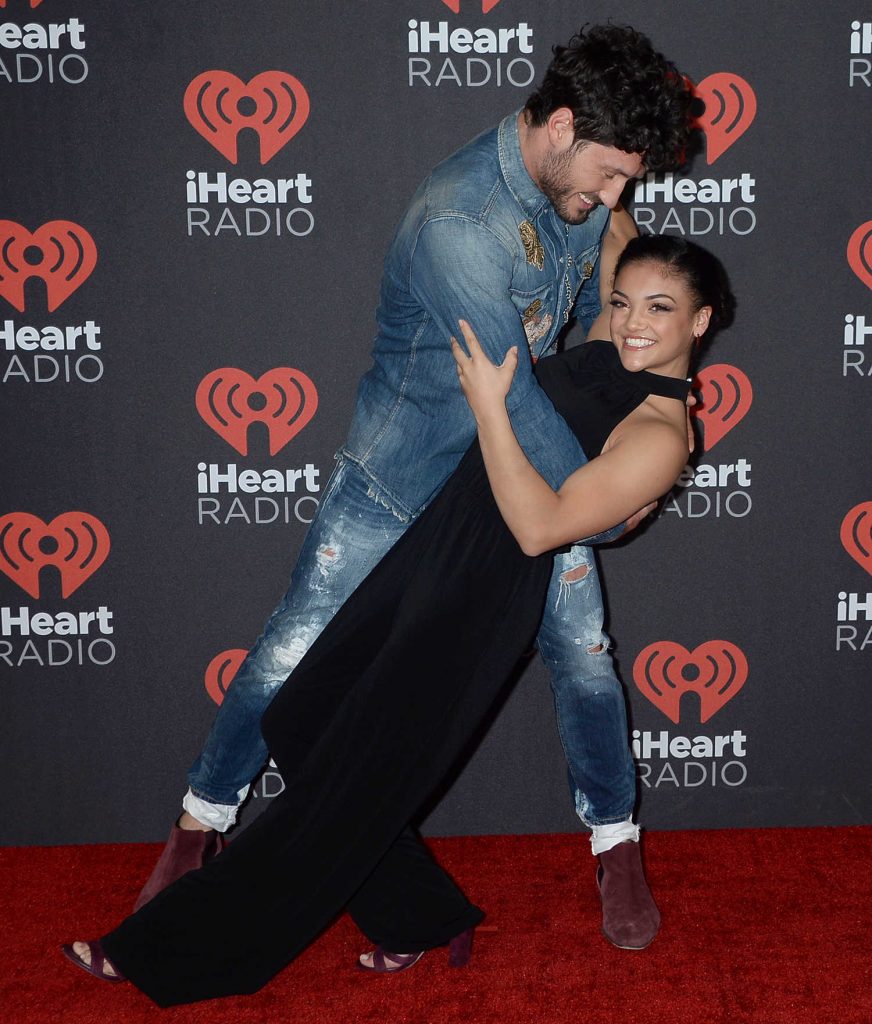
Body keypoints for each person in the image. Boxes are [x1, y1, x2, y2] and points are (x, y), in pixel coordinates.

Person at [130, 24, 695, 951]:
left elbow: (618, 260)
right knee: (289, 658)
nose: (615, 197)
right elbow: (512, 403)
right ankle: (200, 825)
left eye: (627, 182)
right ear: (559, 127)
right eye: (610, 174)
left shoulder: (579, 188)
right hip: (410, 476)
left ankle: (615, 838)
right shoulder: (459, 225)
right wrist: (605, 502)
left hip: (513, 483)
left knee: (585, 651)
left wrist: (649, 364)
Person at [63, 234, 732, 1005]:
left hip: (481, 591)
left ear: (702, 320)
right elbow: (615, 218)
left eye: (660, 308)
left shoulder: (657, 432)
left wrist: (490, 409)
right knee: (302, 717)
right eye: (620, 302)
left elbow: (541, 529)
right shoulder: (615, 359)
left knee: (347, 787)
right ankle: (421, 914)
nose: (631, 321)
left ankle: (175, 949)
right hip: (435, 549)